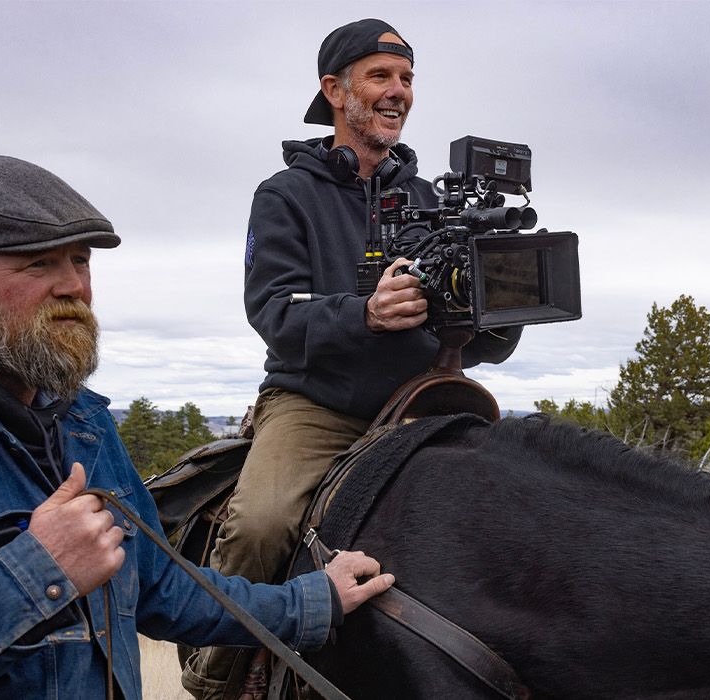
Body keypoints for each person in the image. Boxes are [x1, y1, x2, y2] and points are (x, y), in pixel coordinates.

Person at [0, 155, 394, 699]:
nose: (73, 288)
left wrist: (314, 601)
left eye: (80, 262)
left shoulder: (80, 421)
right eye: (37, 265)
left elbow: (164, 591)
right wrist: (34, 572)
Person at [187, 18, 523, 697]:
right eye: (381, 77)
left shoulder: (439, 203)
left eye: (407, 80)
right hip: (318, 404)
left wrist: (505, 305)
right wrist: (364, 313)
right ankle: (214, 678)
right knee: (262, 523)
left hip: (427, 401)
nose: (398, 92)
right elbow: (273, 312)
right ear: (335, 91)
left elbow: (482, 346)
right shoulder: (286, 195)